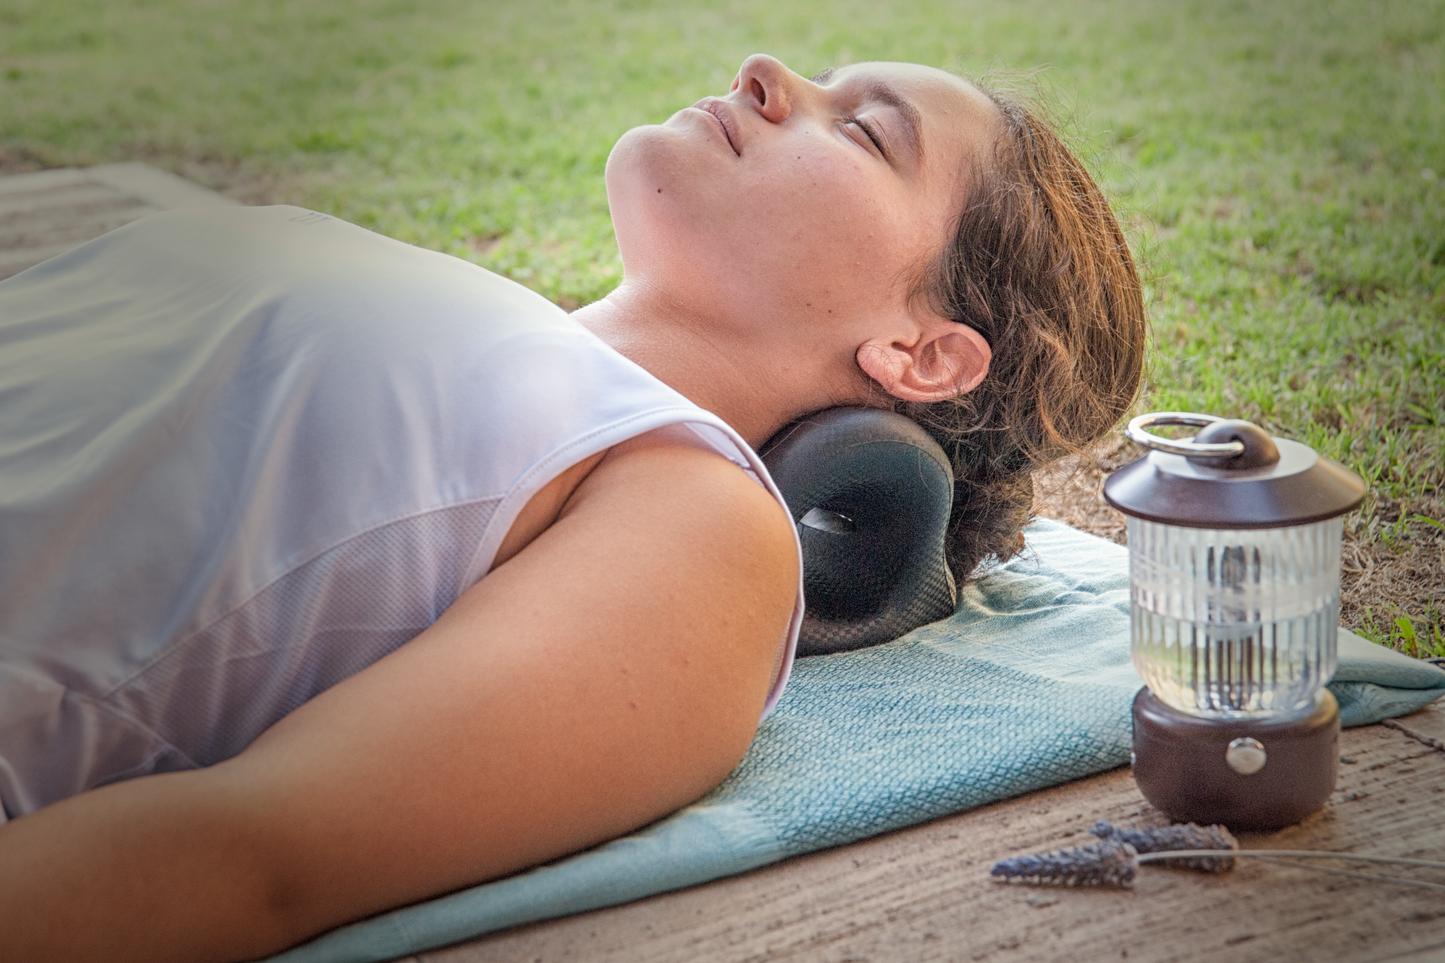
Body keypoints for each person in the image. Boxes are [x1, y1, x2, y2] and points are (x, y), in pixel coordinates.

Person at [0, 54, 1145, 961]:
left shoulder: (701, 527)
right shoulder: (487, 336)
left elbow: (247, 859)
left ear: (921, 353)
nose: (764, 70)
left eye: (860, 130)